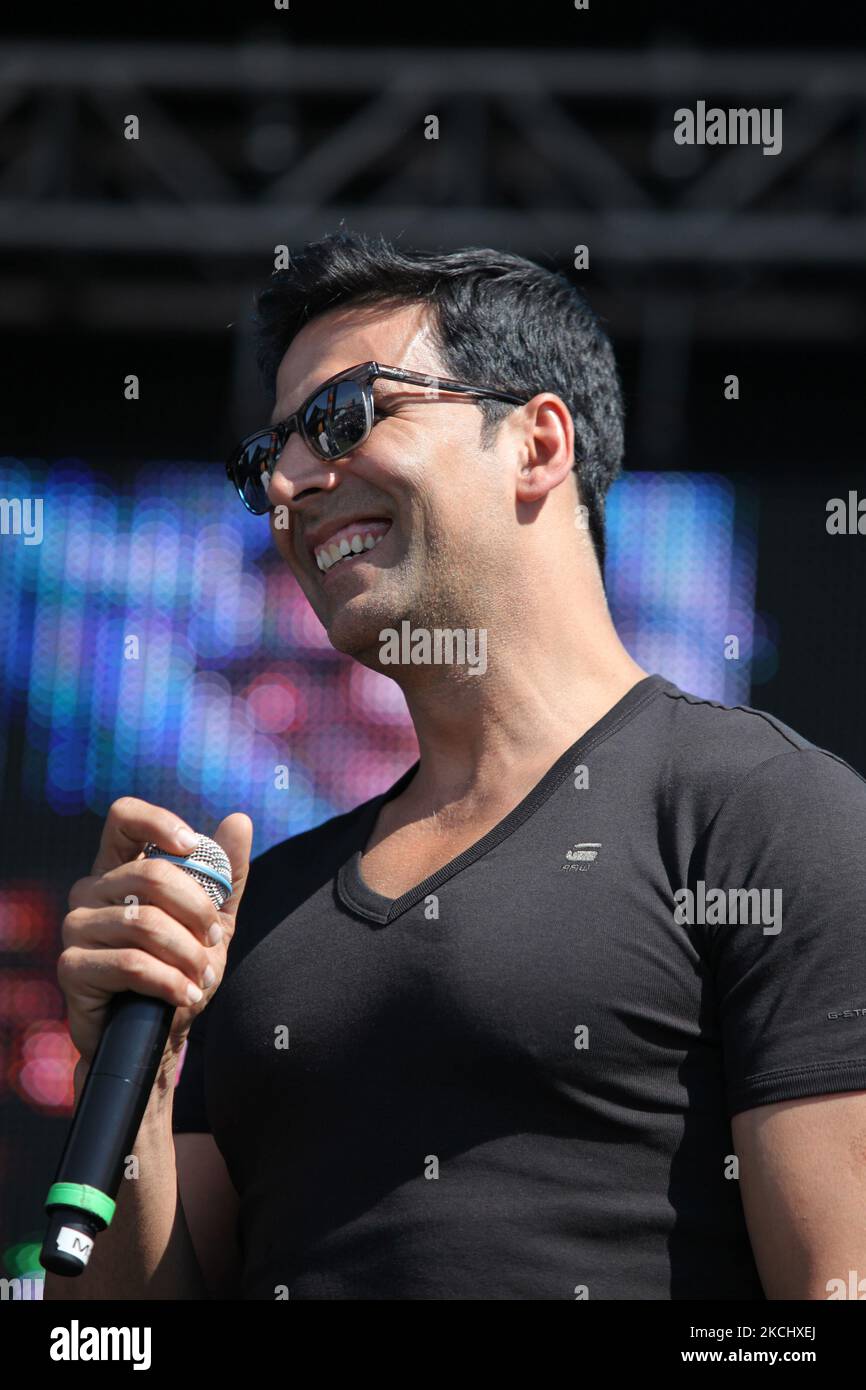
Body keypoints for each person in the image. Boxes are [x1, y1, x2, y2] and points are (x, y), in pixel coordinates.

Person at [47, 230, 866, 1301]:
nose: (291, 482)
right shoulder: (264, 913)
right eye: (268, 458)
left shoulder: (758, 813)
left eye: (344, 415)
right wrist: (139, 1091)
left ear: (535, 443)